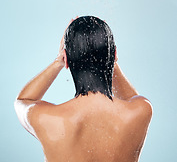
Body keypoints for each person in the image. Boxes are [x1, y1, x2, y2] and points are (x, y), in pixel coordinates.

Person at [14, 16, 153, 162]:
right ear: (114, 55)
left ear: (66, 59)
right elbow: (131, 99)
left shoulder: (48, 119)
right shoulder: (141, 111)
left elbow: (23, 100)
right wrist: (108, 57)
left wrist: (58, 62)